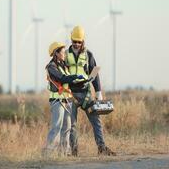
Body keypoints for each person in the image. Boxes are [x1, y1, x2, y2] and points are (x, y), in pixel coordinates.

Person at [66, 25, 116, 156]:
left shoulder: (89, 55)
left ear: (83, 41)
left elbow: (94, 73)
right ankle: (74, 151)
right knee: (72, 126)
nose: (76, 44)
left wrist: (98, 92)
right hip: (71, 95)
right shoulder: (65, 55)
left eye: (79, 41)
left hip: (86, 94)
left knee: (96, 121)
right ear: (71, 40)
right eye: (74, 41)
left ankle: (102, 148)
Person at [43, 42, 83, 156]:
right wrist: (74, 77)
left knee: (67, 128)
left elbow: (68, 80)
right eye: (62, 52)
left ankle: (64, 153)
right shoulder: (51, 67)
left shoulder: (63, 65)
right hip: (57, 101)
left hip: (67, 100)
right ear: (56, 53)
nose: (65, 54)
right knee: (56, 127)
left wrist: (81, 80)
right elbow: (62, 78)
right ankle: (48, 154)